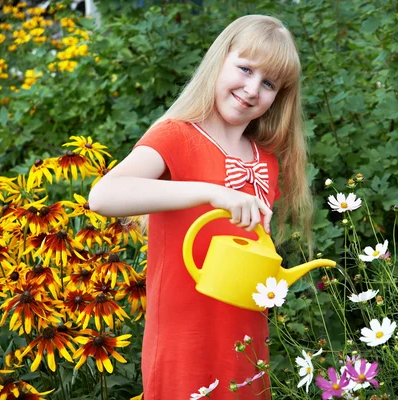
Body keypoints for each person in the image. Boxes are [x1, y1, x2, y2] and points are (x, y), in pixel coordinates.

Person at [88, 14, 312, 400]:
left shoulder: (266, 160)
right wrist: (211, 193)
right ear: (219, 60)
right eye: (245, 68)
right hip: (183, 337)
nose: (252, 88)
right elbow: (103, 196)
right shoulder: (176, 134)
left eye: (269, 83)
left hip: (246, 338)